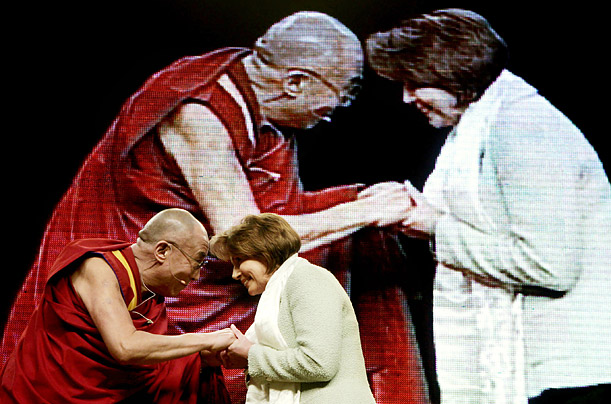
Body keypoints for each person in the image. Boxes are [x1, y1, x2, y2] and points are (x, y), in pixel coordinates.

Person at [2, 11, 430, 404]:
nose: (340, 107)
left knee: (365, 239)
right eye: (346, 91)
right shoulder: (198, 116)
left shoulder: (259, 102)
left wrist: (366, 205)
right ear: (296, 82)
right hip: (185, 287)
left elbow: (271, 208)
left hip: (199, 267)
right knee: (357, 228)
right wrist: (365, 211)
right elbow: (244, 236)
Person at [366, 8, 611, 404]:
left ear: (455, 78)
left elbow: (550, 264)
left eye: (415, 82)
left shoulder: (523, 128)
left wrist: (435, 228)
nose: (407, 96)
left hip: (562, 375)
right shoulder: (485, 123)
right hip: (543, 369)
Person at [0, 208, 237, 403]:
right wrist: (207, 339)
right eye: (197, 262)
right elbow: (125, 347)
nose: (196, 276)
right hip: (44, 392)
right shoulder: (98, 267)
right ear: (162, 250)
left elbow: (151, 367)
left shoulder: (149, 297)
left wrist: (201, 356)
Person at [210, 213, 376, 404]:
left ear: (266, 252)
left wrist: (251, 356)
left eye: (239, 260)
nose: (235, 274)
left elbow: (319, 363)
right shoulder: (279, 293)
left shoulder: (307, 278)